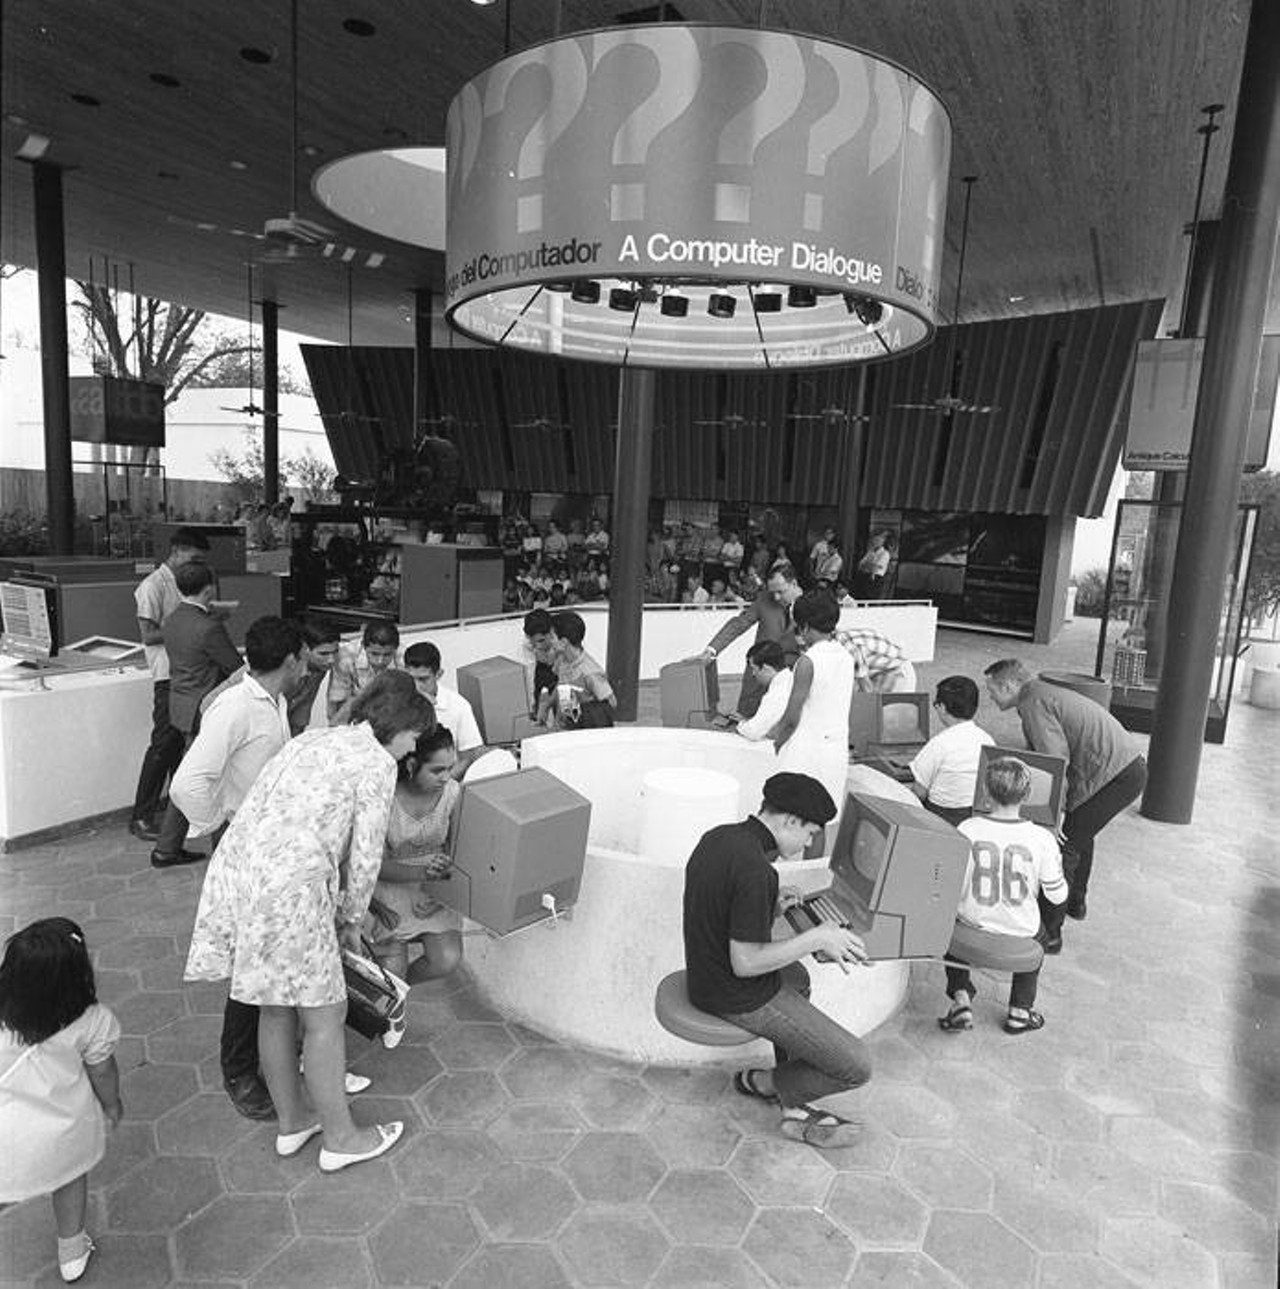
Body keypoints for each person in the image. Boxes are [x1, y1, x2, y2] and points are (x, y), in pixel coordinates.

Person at [184, 672, 434, 1172]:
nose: (412, 749)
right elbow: (364, 858)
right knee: (324, 1016)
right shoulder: (375, 762)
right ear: (400, 724)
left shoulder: (313, 738)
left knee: (274, 1006)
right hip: (293, 888)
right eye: (414, 737)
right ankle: (342, 1138)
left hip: (242, 874)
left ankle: (293, 1123)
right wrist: (349, 920)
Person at [683, 772, 871, 1150]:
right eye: (810, 832)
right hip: (732, 993)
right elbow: (746, 962)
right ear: (789, 821)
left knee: (798, 979)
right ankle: (773, 1084)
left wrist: (772, 903)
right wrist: (815, 938)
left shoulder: (720, 837)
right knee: (856, 1066)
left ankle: (791, 1102)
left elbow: (727, 910)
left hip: (706, 975)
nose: (809, 842)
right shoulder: (756, 870)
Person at [169, 617, 308, 1120]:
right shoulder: (235, 708)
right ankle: (240, 1072)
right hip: (244, 845)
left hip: (272, 846)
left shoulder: (276, 701)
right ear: (291, 659)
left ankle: (278, 1052)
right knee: (251, 966)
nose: (308, 664)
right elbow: (187, 783)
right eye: (305, 656)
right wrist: (220, 830)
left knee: (272, 957)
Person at [984, 659, 1147, 946]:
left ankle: (1050, 932)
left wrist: (1054, 814)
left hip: (1115, 774)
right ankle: (1076, 903)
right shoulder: (1038, 693)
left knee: (1064, 845)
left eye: (992, 690)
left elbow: (1054, 763)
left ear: (1008, 686)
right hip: (1122, 768)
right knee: (1083, 834)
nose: (990, 697)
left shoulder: (1034, 703)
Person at [0, 918, 123, 1283]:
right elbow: (103, 1072)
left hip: (4, 1134)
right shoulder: (92, 1020)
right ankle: (72, 1252)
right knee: (69, 1177)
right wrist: (112, 1105)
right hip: (61, 1133)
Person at [939, 757, 1067, 1035]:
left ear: (985, 791)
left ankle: (960, 997)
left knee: (953, 921)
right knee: (1042, 930)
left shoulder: (967, 829)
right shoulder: (1041, 838)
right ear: (1028, 795)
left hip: (971, 927)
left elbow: (952, 886)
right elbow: (1057, 897)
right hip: (1020, 933)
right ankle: (1020, 1011)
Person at [149, 562, 244, 870]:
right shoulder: (209, 627)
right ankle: (217, 852)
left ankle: (167, 847)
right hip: (204, 710)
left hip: (179, 706)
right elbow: (235, 666)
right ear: (209, 589)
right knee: (206, 780)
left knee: (188, 777)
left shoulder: (172, 618)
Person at [129, 527, 210, 842]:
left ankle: (180, 812)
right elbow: (148, 635)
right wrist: (188, 627)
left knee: (179, 747)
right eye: (194, 558)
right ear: (177, 551)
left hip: (188, 673)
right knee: (162, 746)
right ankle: (141, 815)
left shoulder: (183, 584)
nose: (198, 565)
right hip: (167, 676)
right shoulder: (152, 586)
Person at [367, 727, 464, 985]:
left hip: (435, 890)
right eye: (437, 770)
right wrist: (424, 874)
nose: (446, 777)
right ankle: (389, 997)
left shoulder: (453, 794)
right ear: (411, 764)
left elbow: (459, 855)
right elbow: (372, 865)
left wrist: (444, 897)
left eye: (450, 768)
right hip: (386, 888)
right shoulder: (384, 796)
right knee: (392, 967)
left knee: (447, 958)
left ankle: (387, 995)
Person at [771, 589, 856, 830]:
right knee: (817, 823)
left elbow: (791, 716)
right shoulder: (845, 657)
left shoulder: (808, 662)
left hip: (805, 749)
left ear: (805, 627)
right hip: (835, 750)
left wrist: (779, 741)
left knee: (781, 815)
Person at [700, 562, 803, 718]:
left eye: (780, 592)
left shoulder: (812, 604)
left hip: (791, 672)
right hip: (758, 671)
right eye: (772, 592)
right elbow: (739, 624)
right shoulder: (764, 599)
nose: (775, 597)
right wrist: (712, 650)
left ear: (793, 584)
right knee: (744, 719)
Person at [909, 676, 996, 825]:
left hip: (941, 817)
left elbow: (919, 792)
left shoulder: (939, 744)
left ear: (942, 708)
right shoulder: (988, 741)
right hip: (977, 815)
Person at [402, 641, 485, 778]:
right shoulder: (396, 703)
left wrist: (441, 783)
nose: (417, 687)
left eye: (423, 680)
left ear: (439, 674)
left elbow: (467, 758)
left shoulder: (459, 706)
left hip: (444, 781)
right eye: (412, 679)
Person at [543, 610, 616, 728]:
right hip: (569, 723)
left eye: (551, 637)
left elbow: (611, 702)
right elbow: (562, 687)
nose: (548, 641)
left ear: (563, 642)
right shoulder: (561, 660)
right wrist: (548, 707)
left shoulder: (590, 672)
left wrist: (585, 714)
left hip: (588, 730)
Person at [327, 620, 401, 723]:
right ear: (364, 647)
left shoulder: (404, 659)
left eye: (387, 655)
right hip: (354, 714)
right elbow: (338, 701)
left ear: (395, 649)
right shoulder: (345, 657)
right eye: (374, 654)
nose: (380, 661)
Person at [288, 618, 342, 734]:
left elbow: (304, 707)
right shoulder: (288, 668)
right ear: (305, 648)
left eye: (335, 652)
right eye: (324, 654)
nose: (331, 660)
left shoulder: (320, 667)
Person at [733, 640, 793, 742]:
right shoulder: (792, 678)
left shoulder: (778, 693)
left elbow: (753, 732)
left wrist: (740, 724)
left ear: (765, 668)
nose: (753, 674)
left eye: (754, 669)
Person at [835, 626, 917, 693]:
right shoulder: (836, 638)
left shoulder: (846, 647)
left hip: (896, 671)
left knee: (877, 709)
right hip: (878, 672)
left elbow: (867, 690)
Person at [521, 608, 558, 714]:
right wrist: (531, 704)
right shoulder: (527, 643)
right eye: (533, 643)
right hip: (541, 671)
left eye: (541, 641)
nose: (537, 646)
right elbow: (530, 672)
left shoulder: (562, 640)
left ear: (551, 632)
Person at [852, 532, 892, 599]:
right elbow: (860, 564)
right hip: (864, 577)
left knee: (870, 599)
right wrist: (868, 565)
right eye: (874, 540)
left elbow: (876, 567)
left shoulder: (885, 553)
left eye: (878, 540)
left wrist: (867, 565)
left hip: (876, 579)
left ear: (882, 542)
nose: (875, 542)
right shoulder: (870, 552)